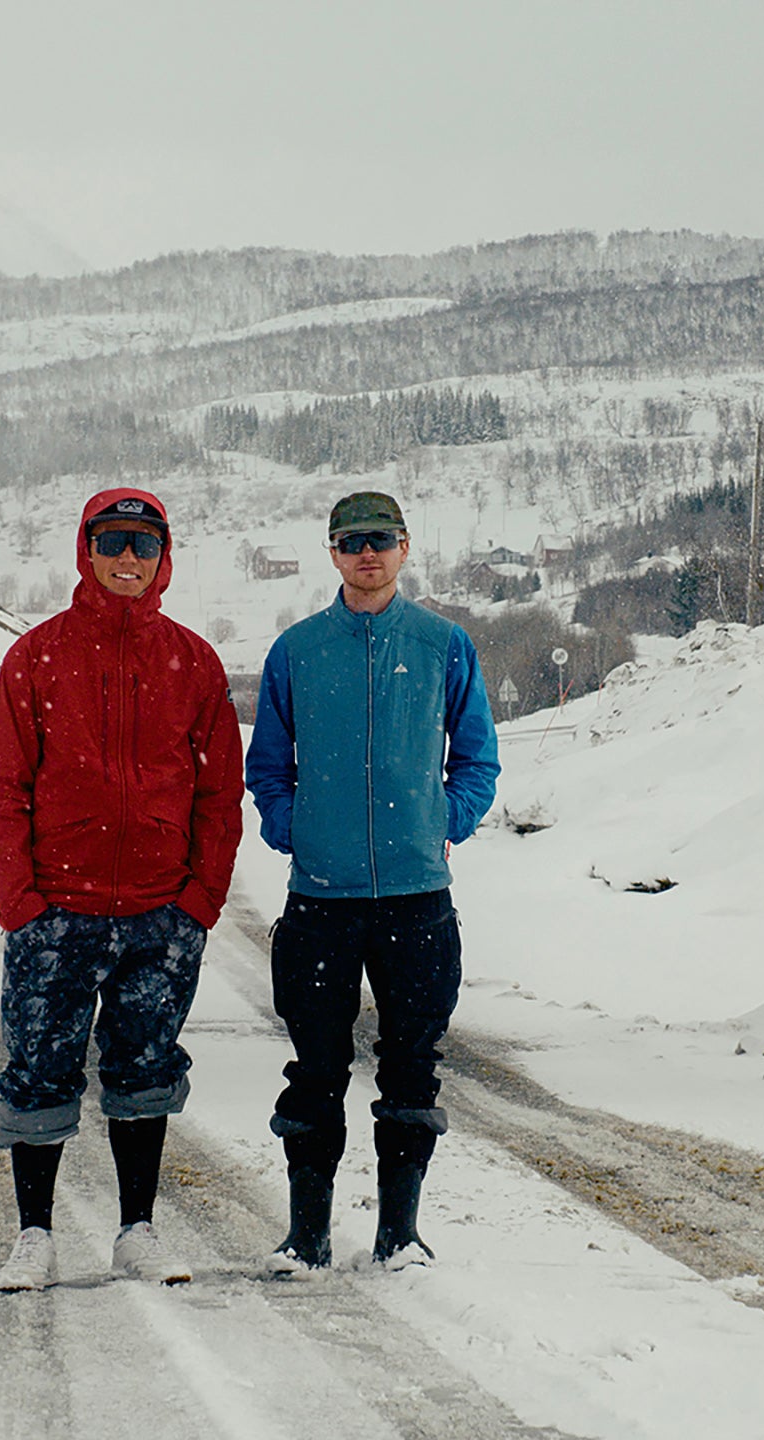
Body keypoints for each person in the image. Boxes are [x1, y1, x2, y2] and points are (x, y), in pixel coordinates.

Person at [0, 487, 244, 1291]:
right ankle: (35, 1236)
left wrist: (200, 903)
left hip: (161, 919)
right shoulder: (36, 657)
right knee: (38, 1071)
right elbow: (3, 788)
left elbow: (219, 797)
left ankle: (138, 1229)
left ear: (165, 558)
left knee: (146, 1071)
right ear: (85, 549)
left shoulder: (193, 662)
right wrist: (21, 905)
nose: (129, 557)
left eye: (145, 544)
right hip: (57, 914)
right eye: (114, 541)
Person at [244, 490, 499, 1273]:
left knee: (412, 1065)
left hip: (417, 901)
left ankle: (400, 1235)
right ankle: (306, 1236)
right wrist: (296, 830)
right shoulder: (296, 651)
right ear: (331, 552)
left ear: (405, 547)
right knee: (315, 1070)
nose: (368, 554)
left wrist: (436, 822)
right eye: (352, 541)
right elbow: (268, 770)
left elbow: (478, 761)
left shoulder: (442, 645)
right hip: (321, 900)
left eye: (380, 540)